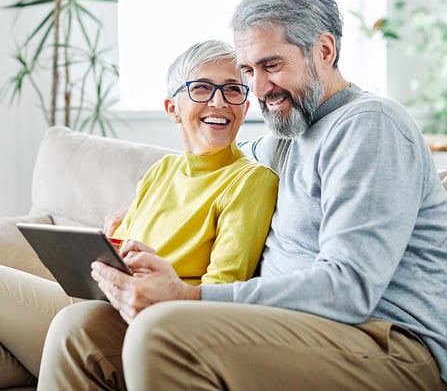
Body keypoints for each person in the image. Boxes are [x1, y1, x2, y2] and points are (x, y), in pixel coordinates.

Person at [37, 0, 447, 391]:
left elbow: (348, 289)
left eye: (271, 66)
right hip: (298, 330)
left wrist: (190, 295)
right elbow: (207, 163)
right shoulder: (287, 135)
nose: (257, 89)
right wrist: (135, 217)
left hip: (394, 346)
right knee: (82, 330)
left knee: (161, 330)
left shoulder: (370, 126)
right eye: (248, 70)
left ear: (325, 51)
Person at [0, 39, 278, 389]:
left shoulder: (250, 180)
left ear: (244, 103)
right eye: (203, 88)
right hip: (102, 299)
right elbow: (124, 250)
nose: (219, 101)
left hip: (150, 318)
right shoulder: (163, 171)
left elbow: (223, 288)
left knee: (70, 323)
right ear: (172, 108)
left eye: (233, 90)